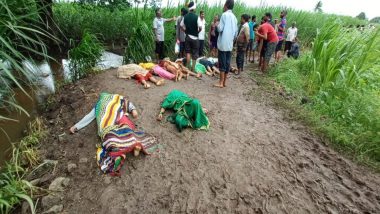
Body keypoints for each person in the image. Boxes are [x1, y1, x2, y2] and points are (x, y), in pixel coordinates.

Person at [69, 92, 158, 176]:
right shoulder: (117, 98)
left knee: (109, 137)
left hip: (107, 125)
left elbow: (88, 117)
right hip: (120, 119)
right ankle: (135, 144)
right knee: (127, 129)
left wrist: (76, 126)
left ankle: (118, 154)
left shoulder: (99, 105)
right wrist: (133, 110)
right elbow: (128, 103)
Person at [213, 0, 237, 88]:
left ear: (226, 5)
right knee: (227, 63)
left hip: (223, 43)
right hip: (230, 43)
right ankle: (224, 82)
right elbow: (235, 33)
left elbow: (220, 29)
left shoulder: (224, 15)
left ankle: (220, 82)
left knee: (222, 63)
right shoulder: (234, 17)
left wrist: (216, 25)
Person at [181, 1, 202, 72]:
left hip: (187, 37)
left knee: (188, 52)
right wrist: (197, 32)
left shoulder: (185, 17)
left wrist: (185, 31)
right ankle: (193, 68)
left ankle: (188, 67)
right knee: (195, 53)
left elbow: (181, 26)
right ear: (194, 8)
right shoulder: (197, 17)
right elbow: (200, 28)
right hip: (195, 38)